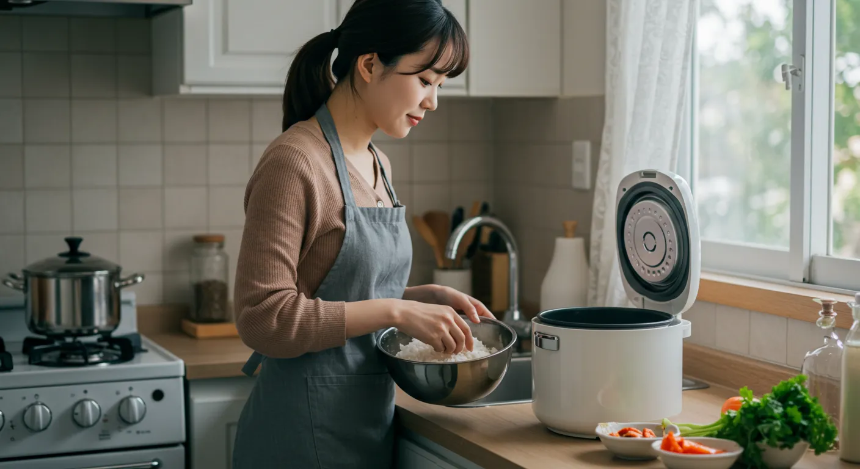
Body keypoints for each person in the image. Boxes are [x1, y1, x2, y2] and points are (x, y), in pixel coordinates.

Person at [231, 1, 493, 467]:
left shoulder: (377, 163)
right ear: (370, 65)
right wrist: (395, 309)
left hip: (364, 423)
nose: (432, 101)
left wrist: (418, 298)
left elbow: (338, 289)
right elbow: (262, 318)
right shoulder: (295, 163)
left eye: (441, 85)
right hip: (300, 435)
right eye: (425, 80)